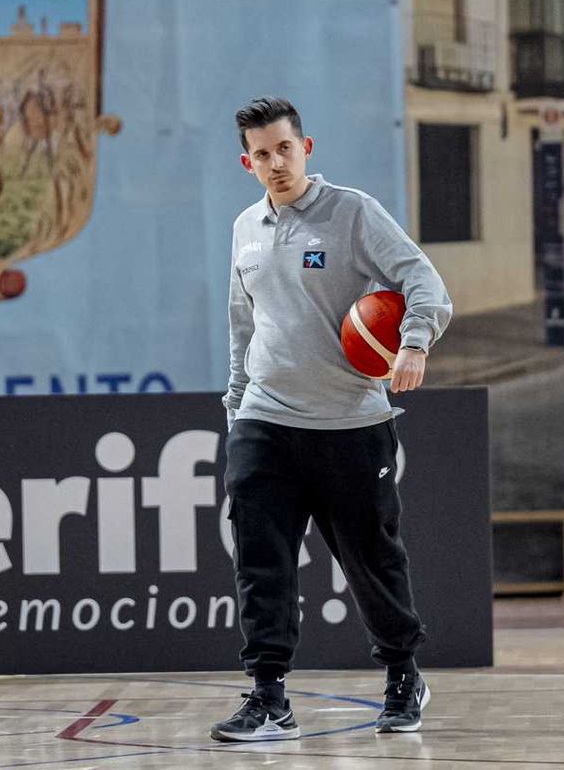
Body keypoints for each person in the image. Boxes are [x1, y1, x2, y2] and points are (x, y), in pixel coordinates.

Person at [213, 96, 452, 742]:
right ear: (248, 162)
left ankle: (403, 675)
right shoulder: (244, 229)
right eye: (261, 154)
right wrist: (237, 409)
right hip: (264, 422)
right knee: (260, 564)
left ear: (306, 147)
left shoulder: (352, 214)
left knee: (371, 562)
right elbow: (243, 325)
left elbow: (425, 282)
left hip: (349, 425)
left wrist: (413, 341)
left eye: (284, 148)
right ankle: (269, 698)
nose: (275, 162)